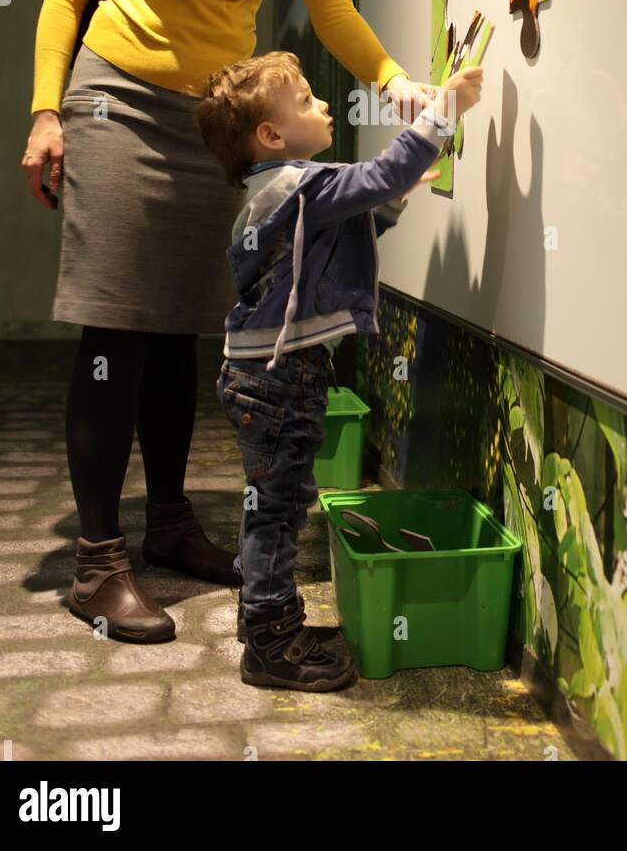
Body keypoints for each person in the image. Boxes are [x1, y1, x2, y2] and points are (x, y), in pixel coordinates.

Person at [21, 0, 439, 643]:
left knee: (180, 328)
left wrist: (392, 78)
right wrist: (47, 109)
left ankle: (167, 525)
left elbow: (330, 10)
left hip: (219, 122)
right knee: (116, 326)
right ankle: (96, 562)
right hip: (117, 96)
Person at [195, 52, 484, 689]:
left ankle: (262, 618)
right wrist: (445, 110)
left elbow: (350, 226)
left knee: (271, 504)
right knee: (278, 509)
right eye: (304, 101)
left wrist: (399, 190)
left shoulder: (283, 193)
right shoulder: (297, 184)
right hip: (280, 377)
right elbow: (376, 178)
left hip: (266, 376)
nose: (324, 106)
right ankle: (271, 643)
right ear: (270, 136)